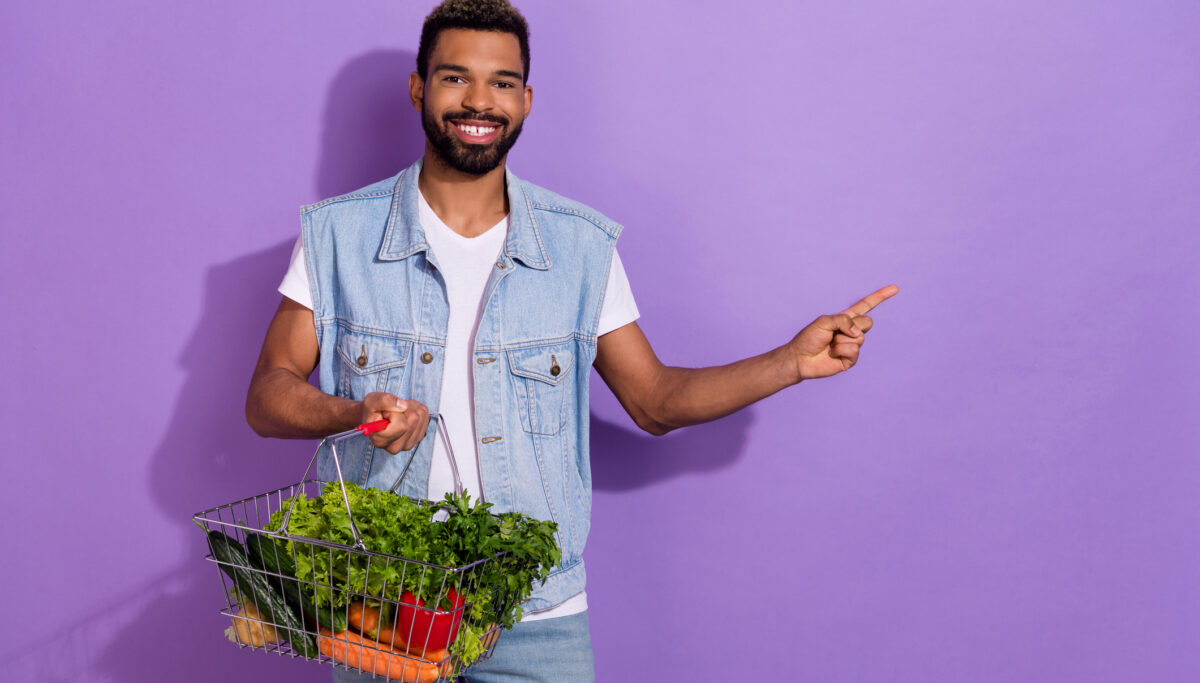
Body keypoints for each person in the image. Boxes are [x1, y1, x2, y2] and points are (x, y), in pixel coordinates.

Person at [245, 1, 898, 680]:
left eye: (501, 82)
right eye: (453, 77)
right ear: (418, 88)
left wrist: (790, 361)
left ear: (526, 101)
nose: (478, 100)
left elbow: (656, 400)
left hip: (536, 612)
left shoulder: (580, 248)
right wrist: (352, 412)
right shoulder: (337, 236)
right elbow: (267, 395)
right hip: (381, 605)